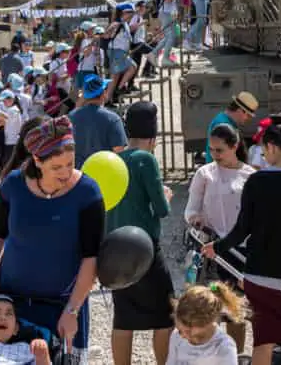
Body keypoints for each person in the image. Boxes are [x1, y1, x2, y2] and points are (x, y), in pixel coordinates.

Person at [202, 119, 281, 365]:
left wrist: (216, 247)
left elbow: (241, 230)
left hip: (260, 276)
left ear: (270, 147)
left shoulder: (256, 182)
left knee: (263, 341)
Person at [0, 116, 104, 356]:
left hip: (63, 305)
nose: (66, 173)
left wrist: (72, 311)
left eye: (70, 163)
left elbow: (91, 257)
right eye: (57, 167)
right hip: (13, 304)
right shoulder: (14, 185)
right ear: (37, 160)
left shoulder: (87, 192)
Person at [107, 102, 174, 365]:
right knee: (164, 313)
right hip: (144, 247)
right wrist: (167, 195)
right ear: (154, 137)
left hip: (114, 248)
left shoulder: (115, 159)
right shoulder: (145, 159)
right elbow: (161, 208)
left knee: (123, 316)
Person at [184, 123, 254, 351]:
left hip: (242, 250)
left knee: (237, 311)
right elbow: (191, 209)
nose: (215, 155)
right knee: (212, 309)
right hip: (213, 251)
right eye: (212, 150)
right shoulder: (205, 174)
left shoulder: (250, 175)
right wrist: (195, 220)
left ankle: (238, 355)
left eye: (220, 150)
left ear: (234, 147)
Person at [166, 284, 245, 365]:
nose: (182, 335)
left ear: (207, 322)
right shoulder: (176, 336)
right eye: (180, 330)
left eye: (188, 331)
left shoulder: (224, 347)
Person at [68, 74, 127, 168]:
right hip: (105, 175)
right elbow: (119, 152)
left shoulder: (71, 117)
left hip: (80, 175)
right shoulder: (113, 119)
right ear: (103, 93)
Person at [204, 92, 258, 164]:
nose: (248, 119)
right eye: (248, 115)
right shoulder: (223, 125)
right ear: (240, 111)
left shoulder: (226, 121)